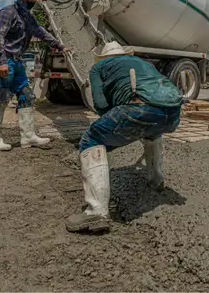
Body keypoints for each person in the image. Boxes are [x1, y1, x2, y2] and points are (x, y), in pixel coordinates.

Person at [65, 42, 182, 233]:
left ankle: (96, 212)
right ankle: (156, 181)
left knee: (90, 139)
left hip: (138, 108)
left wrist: (114, 121)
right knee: (152, 133)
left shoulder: (99, 67)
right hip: (172, 114)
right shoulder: (142, 62)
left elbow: (100, 103)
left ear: (104, 57)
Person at [0, 0, 66, 152]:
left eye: (33, 1)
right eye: (29, 0)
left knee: (27, 95)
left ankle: (28, 136)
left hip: (17, 60)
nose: (31, 3)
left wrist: (60, 46)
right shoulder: (8, 13)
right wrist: (1, 61)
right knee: (1, 96)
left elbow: (40, 32)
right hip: (4, 59)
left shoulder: (29, 18)